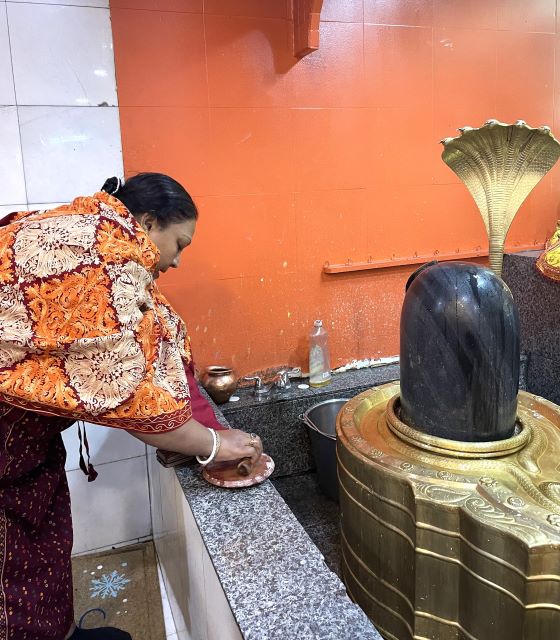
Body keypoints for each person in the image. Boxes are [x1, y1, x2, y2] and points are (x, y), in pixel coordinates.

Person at [0, 173, 263, 640]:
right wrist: (212, 445)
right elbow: (135, 403)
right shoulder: (102, 263)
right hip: (6, 446)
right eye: (178, 243)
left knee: (42, 546)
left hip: (23, 445)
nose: (178, 261)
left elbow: (155, 334)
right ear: (146, 221)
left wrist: (197, 417)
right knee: (10, 577)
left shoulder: (88, 229)